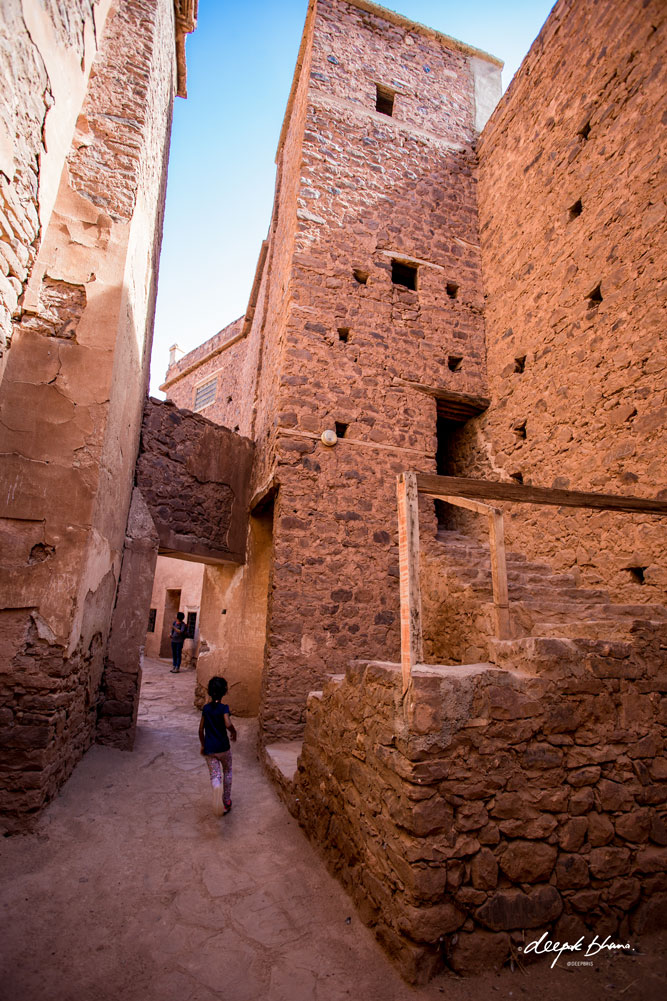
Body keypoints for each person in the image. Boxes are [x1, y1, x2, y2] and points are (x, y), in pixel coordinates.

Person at [199, 676, 237, 816]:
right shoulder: (224, 708)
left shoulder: (206, 709)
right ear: (224, 692)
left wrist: (203, 745)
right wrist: (233, 731)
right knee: (227, 771)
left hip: (210, 749)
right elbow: (227, 723)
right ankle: (226, 801)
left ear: (209, 691)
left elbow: (200, 729)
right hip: (223, 747)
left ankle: (216, 786)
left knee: (215, 774)